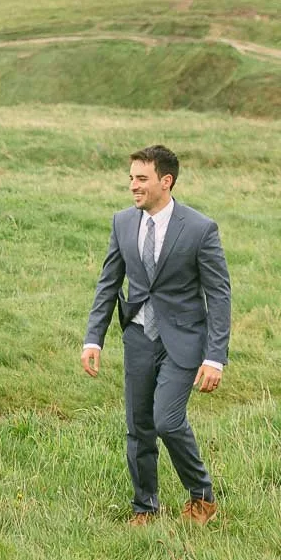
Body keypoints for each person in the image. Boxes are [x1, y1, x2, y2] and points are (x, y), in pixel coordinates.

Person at [81, 144, 230, 524]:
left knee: (166, 420)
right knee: (139, 427)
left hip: (183, 342)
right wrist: (93, 338)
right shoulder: (122, 222)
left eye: (141, 178)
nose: (133, 185)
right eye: (131, 178)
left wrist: (215, 357)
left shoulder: (199, 228)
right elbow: (108, 282)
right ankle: (144, 507)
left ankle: (202, 496)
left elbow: (219, 294)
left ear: (166, 181)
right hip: (138, 339)